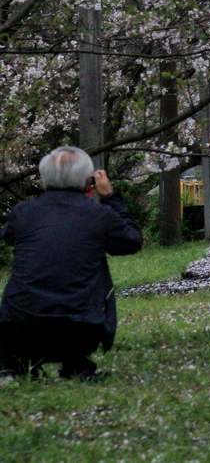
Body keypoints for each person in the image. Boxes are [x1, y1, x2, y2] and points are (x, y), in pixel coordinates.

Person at [0, 146, 142, 380]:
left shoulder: (23, 213)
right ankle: (75, 363)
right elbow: (131, 242)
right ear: (90, 183)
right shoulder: (99, 215)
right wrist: (110, 198)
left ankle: (12, 365)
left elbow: (9, 236)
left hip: (18, 329)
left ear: (44, 181)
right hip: (79, 331)